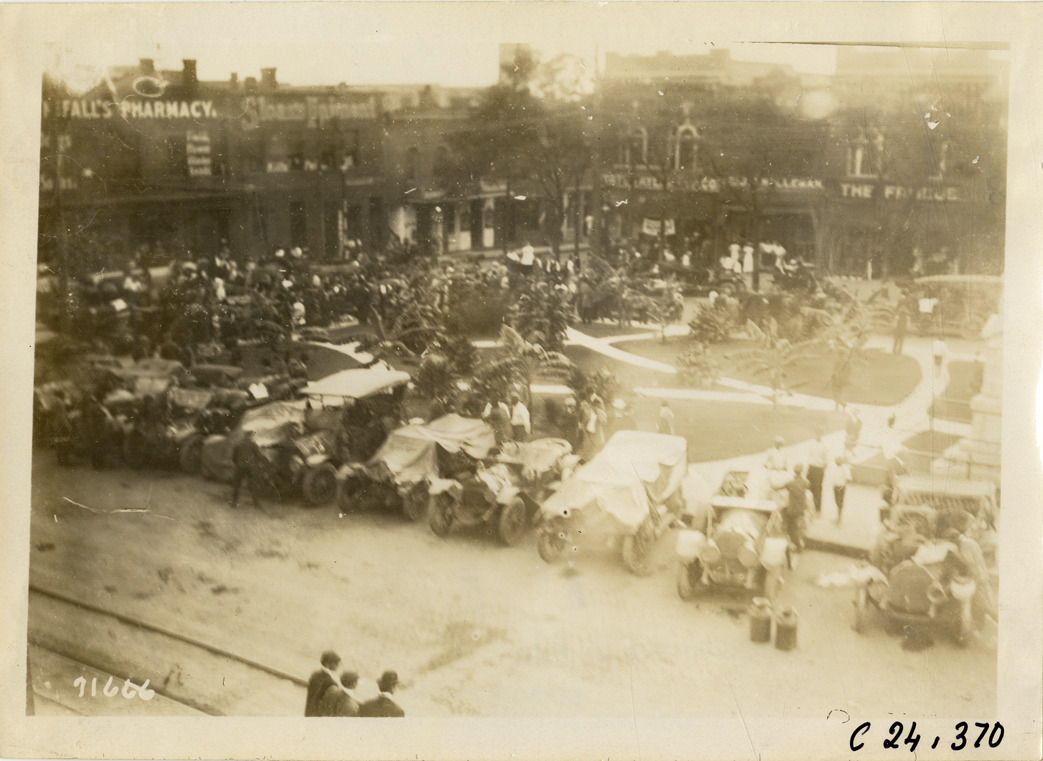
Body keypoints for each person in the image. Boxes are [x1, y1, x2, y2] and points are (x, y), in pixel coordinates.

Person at [230, 430, 271, 511]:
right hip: (251, 466)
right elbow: (259, 455)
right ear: (250, 436)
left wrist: (237, 463)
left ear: (244, 436)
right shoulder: (253, 444)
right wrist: (262, 462)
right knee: (253, 484)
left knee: (237, 484)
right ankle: (256, 503)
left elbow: (234, 457)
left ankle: (234, 502)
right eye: (251, 436)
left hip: (240, 465)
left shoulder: (238, 444)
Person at [781, 465, 810, 553]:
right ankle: (797, 543)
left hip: (793, 510)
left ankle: (798, 546)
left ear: (794, 472)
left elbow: (775, 487)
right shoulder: (805, 482)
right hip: (802, 509)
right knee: (795, 527)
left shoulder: (790, 483)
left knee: (791, 528)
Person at [305, 651, 341, 717]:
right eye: (335, 663)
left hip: (309, 711)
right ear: (327, 664)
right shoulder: (331, 682)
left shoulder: (315, 674)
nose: (338, 666)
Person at [804, 429, 829, 515]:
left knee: (817, 489)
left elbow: (826, 461)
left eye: (819, 434)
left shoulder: (824, 446)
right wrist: (807, 469)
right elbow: (809, 457)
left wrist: (821, 472)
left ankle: (818, 509)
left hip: (818, 469)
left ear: (821, 435)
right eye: (816, 434)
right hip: (811, 468)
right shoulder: (811, 444)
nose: (817, 436)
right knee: (807, 487)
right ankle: (806, 507)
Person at [832, 455, 851, 525]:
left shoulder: (845, 468)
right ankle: (838, 517)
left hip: (841, 487)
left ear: (841, 462)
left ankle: (839, 518)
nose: (836, 462)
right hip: (835, 486)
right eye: (836, 461)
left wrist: (843, 485)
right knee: (836, 501)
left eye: (838, 461)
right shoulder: (835, 468)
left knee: (840, 502)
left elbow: (848, 478)